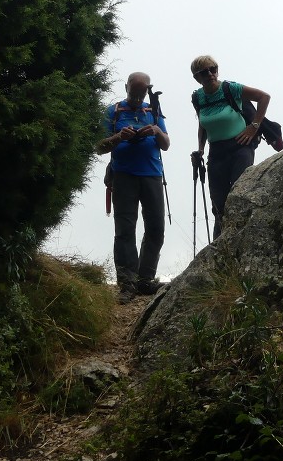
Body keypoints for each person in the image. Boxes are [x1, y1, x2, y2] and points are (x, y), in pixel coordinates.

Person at [97, 72, 170, 303]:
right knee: (125, 229)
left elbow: (166, 144)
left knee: (156, 228)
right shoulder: (114, 111)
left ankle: (145, 279)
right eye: (133, 93)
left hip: (152, 175)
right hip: (124, 176)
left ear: (147, 90)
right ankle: (127, 283)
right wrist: (120, 136)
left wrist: (156, 131)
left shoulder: (154, 111)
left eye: (142, 94)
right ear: (126, 87)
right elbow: (99, 146)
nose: (138, 99)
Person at [190, 55, 271, 239]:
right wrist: (200, 149)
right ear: (197, 78)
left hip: (241, 147)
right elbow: (203, 124)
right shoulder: (198, 98)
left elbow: (263, 97)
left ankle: (244, 239)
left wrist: (254, 126)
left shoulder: (229, 88)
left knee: (239, 194)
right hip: (216, 151)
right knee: (218, 203)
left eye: (213, 69)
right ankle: (220, 244)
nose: (210, 74)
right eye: (204, 72)